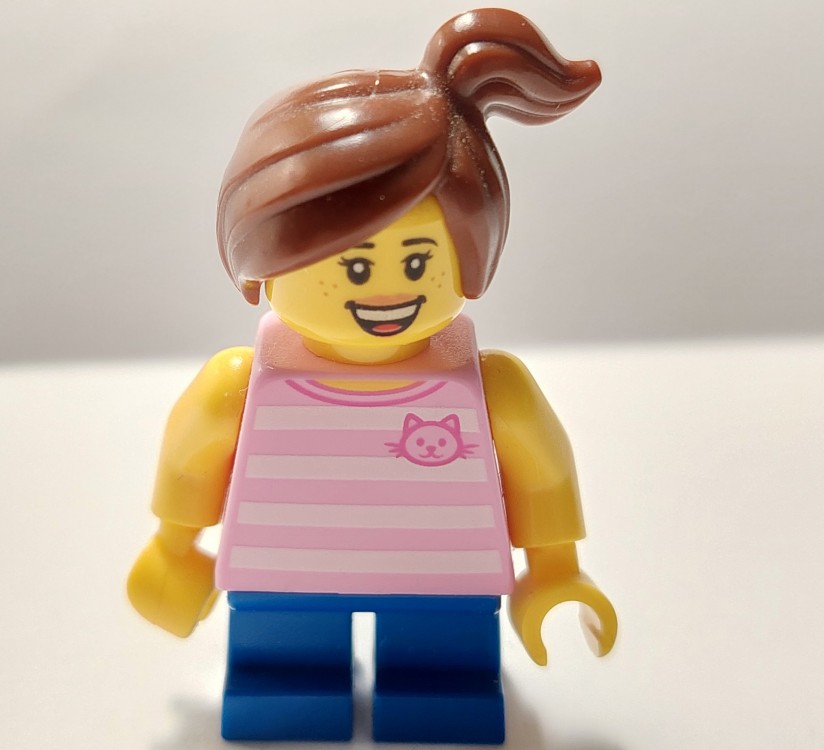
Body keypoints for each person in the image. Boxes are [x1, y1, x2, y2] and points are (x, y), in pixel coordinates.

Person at [128, 8, 617, 744]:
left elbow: (540, 468)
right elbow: (193, 452)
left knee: (440, 680)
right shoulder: (240, 384)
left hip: (442, 579)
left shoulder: (493, 387)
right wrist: (173, 547)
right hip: (284, 573)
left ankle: (438, 689)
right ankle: (287, 688)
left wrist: (553, 570)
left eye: (419, 261)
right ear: (266, 258)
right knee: (287, 675)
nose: (387, 291)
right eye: (353, 267)